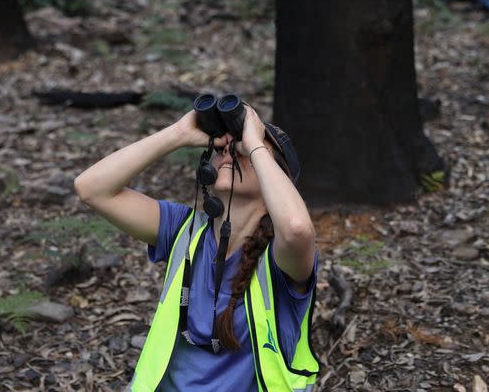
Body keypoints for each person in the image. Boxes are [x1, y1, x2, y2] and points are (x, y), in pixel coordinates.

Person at [74, 103, 320, 391]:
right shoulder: (184, 229)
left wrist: (254, 143)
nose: (230, 151)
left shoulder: (280, 257)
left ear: (274, 180)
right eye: (222, 150)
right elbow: (91, 188)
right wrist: (178, 134)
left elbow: (296, 227)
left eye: (241, 150)